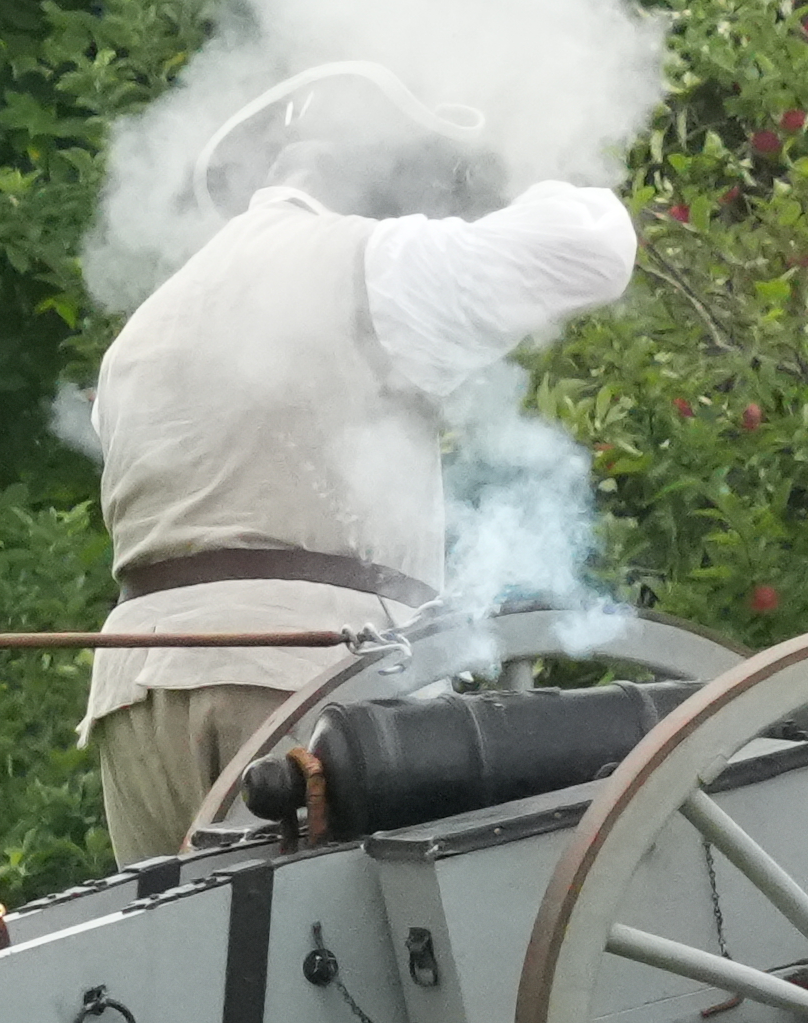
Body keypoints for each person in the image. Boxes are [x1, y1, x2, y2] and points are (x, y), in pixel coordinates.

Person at [76, 63, 637, 861]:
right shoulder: (373, 261)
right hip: (307, 683)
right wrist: (524, 162)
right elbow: (594, 247)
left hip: (136, 693)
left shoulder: (146, 326)